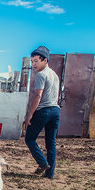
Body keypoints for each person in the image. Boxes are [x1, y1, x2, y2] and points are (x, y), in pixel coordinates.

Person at [24, 45, 61, 179]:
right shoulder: (54, 75)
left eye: (36, 61)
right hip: (55, 111)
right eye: (32, 61)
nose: (33, 64)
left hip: (43, 111)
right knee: (50, 142)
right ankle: (49, 174)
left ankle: (42, 163)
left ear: (45, 60)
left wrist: (30, 114)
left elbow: (38, 95)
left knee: (29, 138)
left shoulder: (41, 74)